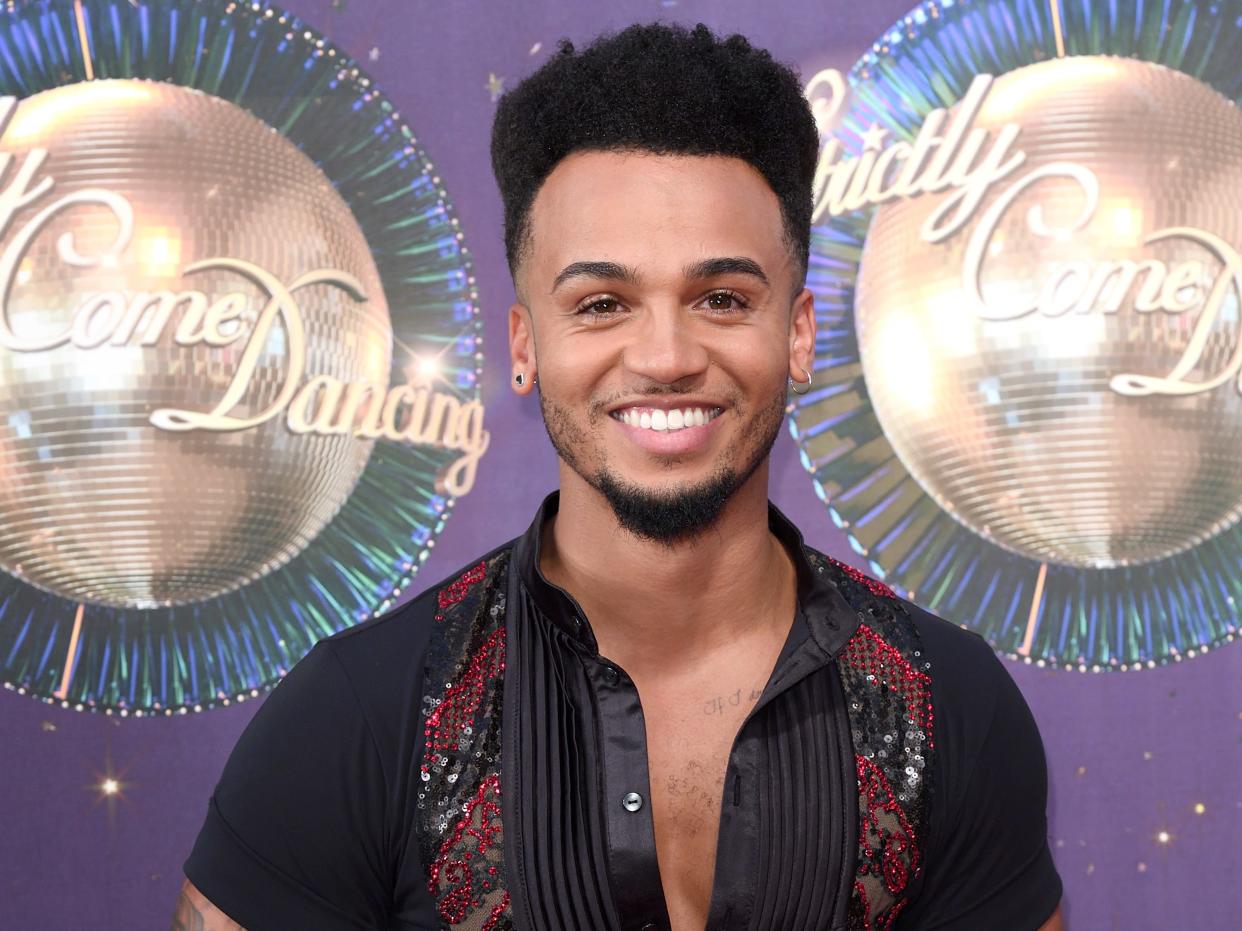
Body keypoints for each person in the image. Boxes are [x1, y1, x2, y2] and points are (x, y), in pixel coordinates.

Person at [177, 22, 1064, 931]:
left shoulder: (950, 707)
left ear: (798, 333)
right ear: (526, 346)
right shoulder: (361, 718)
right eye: (602, 304)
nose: (668, 356)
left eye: (722, 298)